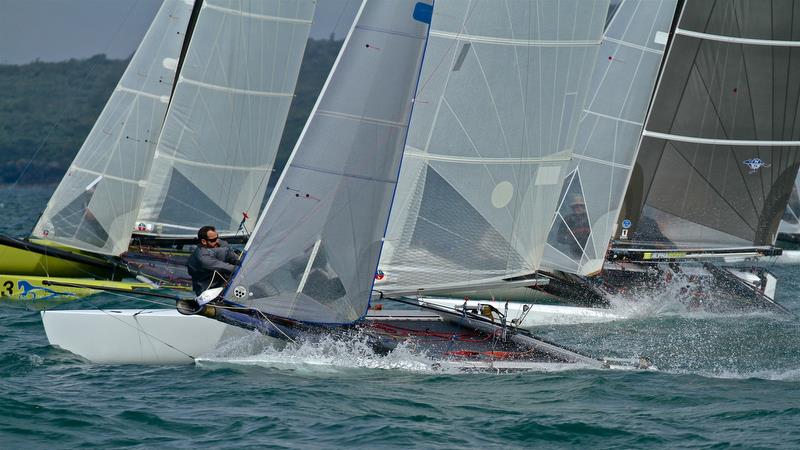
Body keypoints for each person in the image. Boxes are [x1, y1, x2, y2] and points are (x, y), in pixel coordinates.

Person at [186, 225, 241, 295]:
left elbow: (229, 252)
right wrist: (245, 269)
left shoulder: (217, 243)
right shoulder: (203, 258)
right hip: (208, 291)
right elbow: (227, 267)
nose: (217, 241)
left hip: (223, 283)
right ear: (203, 241)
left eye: (217, 237)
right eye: (213, 240)